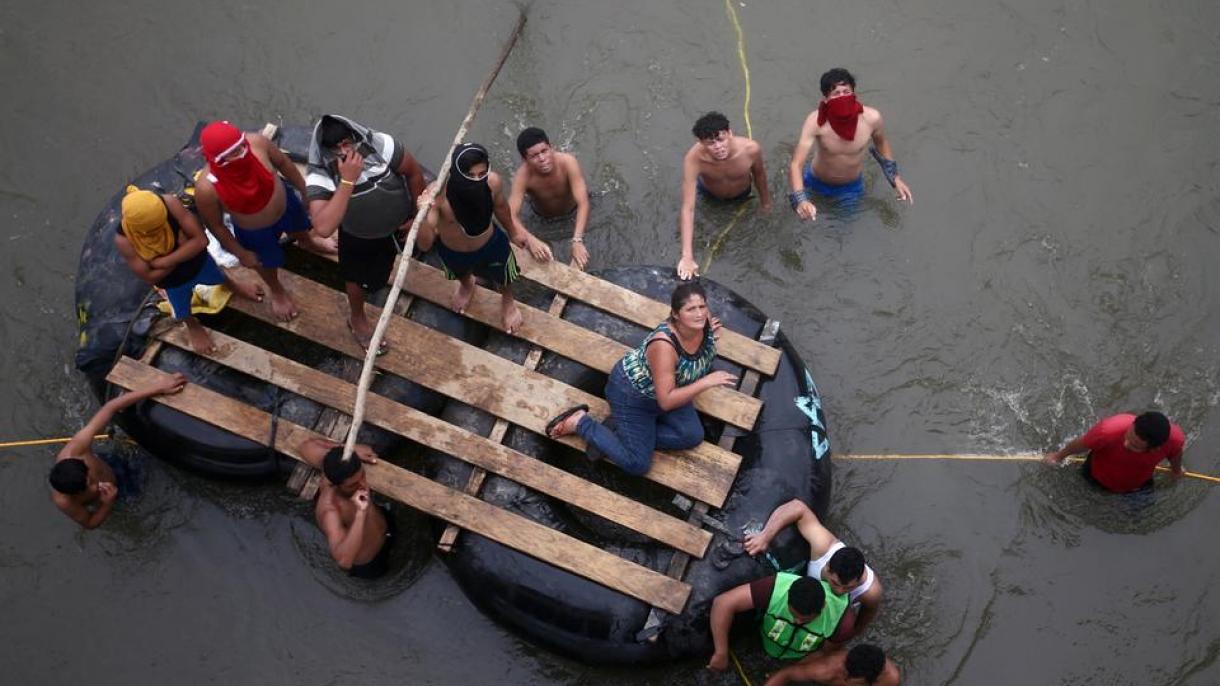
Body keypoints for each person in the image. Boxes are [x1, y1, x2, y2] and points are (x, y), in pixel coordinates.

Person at [545, 282, 736, 475]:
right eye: (691, 309)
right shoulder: (664, 346)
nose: (699, 314)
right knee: (638, 464)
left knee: (692, 435)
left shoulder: (703, 324)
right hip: (633, 396)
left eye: (702, 306)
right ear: (676, 315)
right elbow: (667, 401)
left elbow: (700, 336)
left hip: (670, 388)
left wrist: (708, 332)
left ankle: (618, 434)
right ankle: (580, 423)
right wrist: (706, 382)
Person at [305, 115, 428, 355]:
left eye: (346, 142)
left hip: (396, 226)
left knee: (385, 267)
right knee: (357, 279)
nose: (344, 151)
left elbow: (413, 173)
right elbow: (322, 227)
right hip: (359, 235)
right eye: (336, 148)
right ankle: (357, 319)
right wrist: (348, 180)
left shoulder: (381, 145)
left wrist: (416, 215)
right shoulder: (321, 173)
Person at [194, 120, 336, 322]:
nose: (240, 155)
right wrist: (240, 253)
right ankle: (277, 290)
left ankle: (308, 242)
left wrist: (306, 192)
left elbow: (284, 164)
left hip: (286, 205)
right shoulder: (206, 189)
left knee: (301, 227)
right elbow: (216, 226)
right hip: (255, 232)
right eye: (230, 155)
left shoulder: (257, 143)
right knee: (266, 263)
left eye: (241, 148)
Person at [416, 143, 553, 334]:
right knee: (460, 273)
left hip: (490, 244)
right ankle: (467, 285)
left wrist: (513, 232)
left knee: (504, 276)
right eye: (470, 176)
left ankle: (508, 301)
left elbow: (502, 208)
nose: (477, 181)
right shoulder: (438, 197)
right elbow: (425, 244)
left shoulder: (492, 183)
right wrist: (421, 214)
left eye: (481, 174)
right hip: (453, 251)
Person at [114, 187, 263, 353]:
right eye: (152, 231)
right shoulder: (124, 240)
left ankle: (234, 286)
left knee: (219, 276)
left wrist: (164, 261)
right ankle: (192, 326)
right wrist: (184, 248)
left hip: (199, 262)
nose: (159, 232)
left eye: (161, 225)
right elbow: (150, 277)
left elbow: (201, 240)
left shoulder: (169, 203)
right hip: (173, 282)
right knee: (181, 308)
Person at [49, 373, 187, 529]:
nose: (96, 486)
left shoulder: (76, 450)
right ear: (73, 494)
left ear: (83, 464)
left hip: (111, 464)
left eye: (91, 481)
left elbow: (110, 408)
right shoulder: (65, 502)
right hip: (115, 495)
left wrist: (158, 387)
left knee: (153, 457)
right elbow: (90, 523)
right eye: (88, 488)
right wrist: (107, 504)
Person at [744, 498, 884, 639]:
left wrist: (851, 634)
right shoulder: (822, 546)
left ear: (860, 579)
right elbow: (797, 507)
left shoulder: (870, 591)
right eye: (835, 583)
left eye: (848, 588)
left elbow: (865, 618)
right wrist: (765, 537)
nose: (839, 591)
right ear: (828, 567)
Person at [788, 68, 913, 221]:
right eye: (836, 94)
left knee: (842, 226)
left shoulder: (872, 118)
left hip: (850, 189)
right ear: (826, 99)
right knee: (802, 220)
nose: (842, 97)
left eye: (846, 92)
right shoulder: (816, 122)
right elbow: (796, 164)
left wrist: (895, 179)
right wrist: (801, 200)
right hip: (814, 181)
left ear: (854, 93)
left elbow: (882, 144)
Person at [677, 112, 772, 280]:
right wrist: (687, 257)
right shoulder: (693, 159)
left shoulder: (750, 149)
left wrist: (765, 204)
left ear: (730, 133)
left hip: (743, 195)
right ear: (700, 143)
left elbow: (760, 176)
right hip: (710, 195)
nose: (718, 147)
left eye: (721, 139)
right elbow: (688, 207)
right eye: (711, 143)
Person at [707, 571, 849, 673]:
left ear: (822, 607)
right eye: (794, 615)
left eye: (805, 619)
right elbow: (722, 603)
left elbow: (825, 653)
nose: (797, 621)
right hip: (762, 640)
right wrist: (721, 652)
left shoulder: (841, 621)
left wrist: (790, 671)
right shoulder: (775, 589)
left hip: (796, 658)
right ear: (788, 597)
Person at [299, 438, 396, 579]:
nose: (363, 485)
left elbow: (305, 447)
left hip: (383, 525)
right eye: (353, 484)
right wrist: (360, 513)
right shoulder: (330, 510)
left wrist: (350, 451)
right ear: (335, 484)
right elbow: (344, 561)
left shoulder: (333, 466)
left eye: (362, 475)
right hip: (370, 559)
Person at [508, 127, 592, 269]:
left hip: (573, 212)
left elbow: (583, 202)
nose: (542, 159)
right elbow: (509, 215)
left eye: (544, 151)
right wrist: (530, 239)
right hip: (542, 218)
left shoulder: (567, 162)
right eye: (534, 156)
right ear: (524, 159)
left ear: (551, 147)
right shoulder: (523, 176)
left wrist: (577, 240)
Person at [1043, 411, 1186, 492]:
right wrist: (1058, 456)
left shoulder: (1175, 440)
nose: (1126, 443)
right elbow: (1082, 444)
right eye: (1128, 436)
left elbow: (1175, 454)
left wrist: (1176, 471)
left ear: (1155, 449)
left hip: (1138, 485)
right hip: (1094, 475)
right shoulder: (1107, 431)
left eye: (1134, 445)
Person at [763, 644, 902, 686]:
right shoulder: (827, 670)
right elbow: (786, 674)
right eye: (846, 675)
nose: (846, 680)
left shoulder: (890, 679)